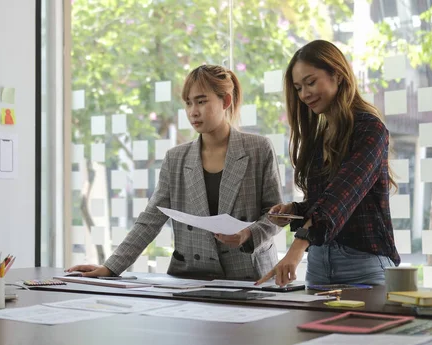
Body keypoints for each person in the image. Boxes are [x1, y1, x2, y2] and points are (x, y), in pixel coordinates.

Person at [67, 64, 283, 280]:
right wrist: (110, 267)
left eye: (201, 101)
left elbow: (277, 214)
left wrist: (248, 235)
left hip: (251, 275)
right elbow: (151, 219)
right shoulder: (176, 158)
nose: (193, 112)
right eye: (188, 103)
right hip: (192, 277)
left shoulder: (258, 148)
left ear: (225, 101)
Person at [257, 40, 400, 287]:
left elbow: (341, 197)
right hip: (319, 267)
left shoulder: (371, 130)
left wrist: (297, 247)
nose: (304, 94)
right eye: (298, 87)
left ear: (338, 74)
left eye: (311, 82)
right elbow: (321, 204)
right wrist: (294, 210)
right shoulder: (318, 138)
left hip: (364, 269)